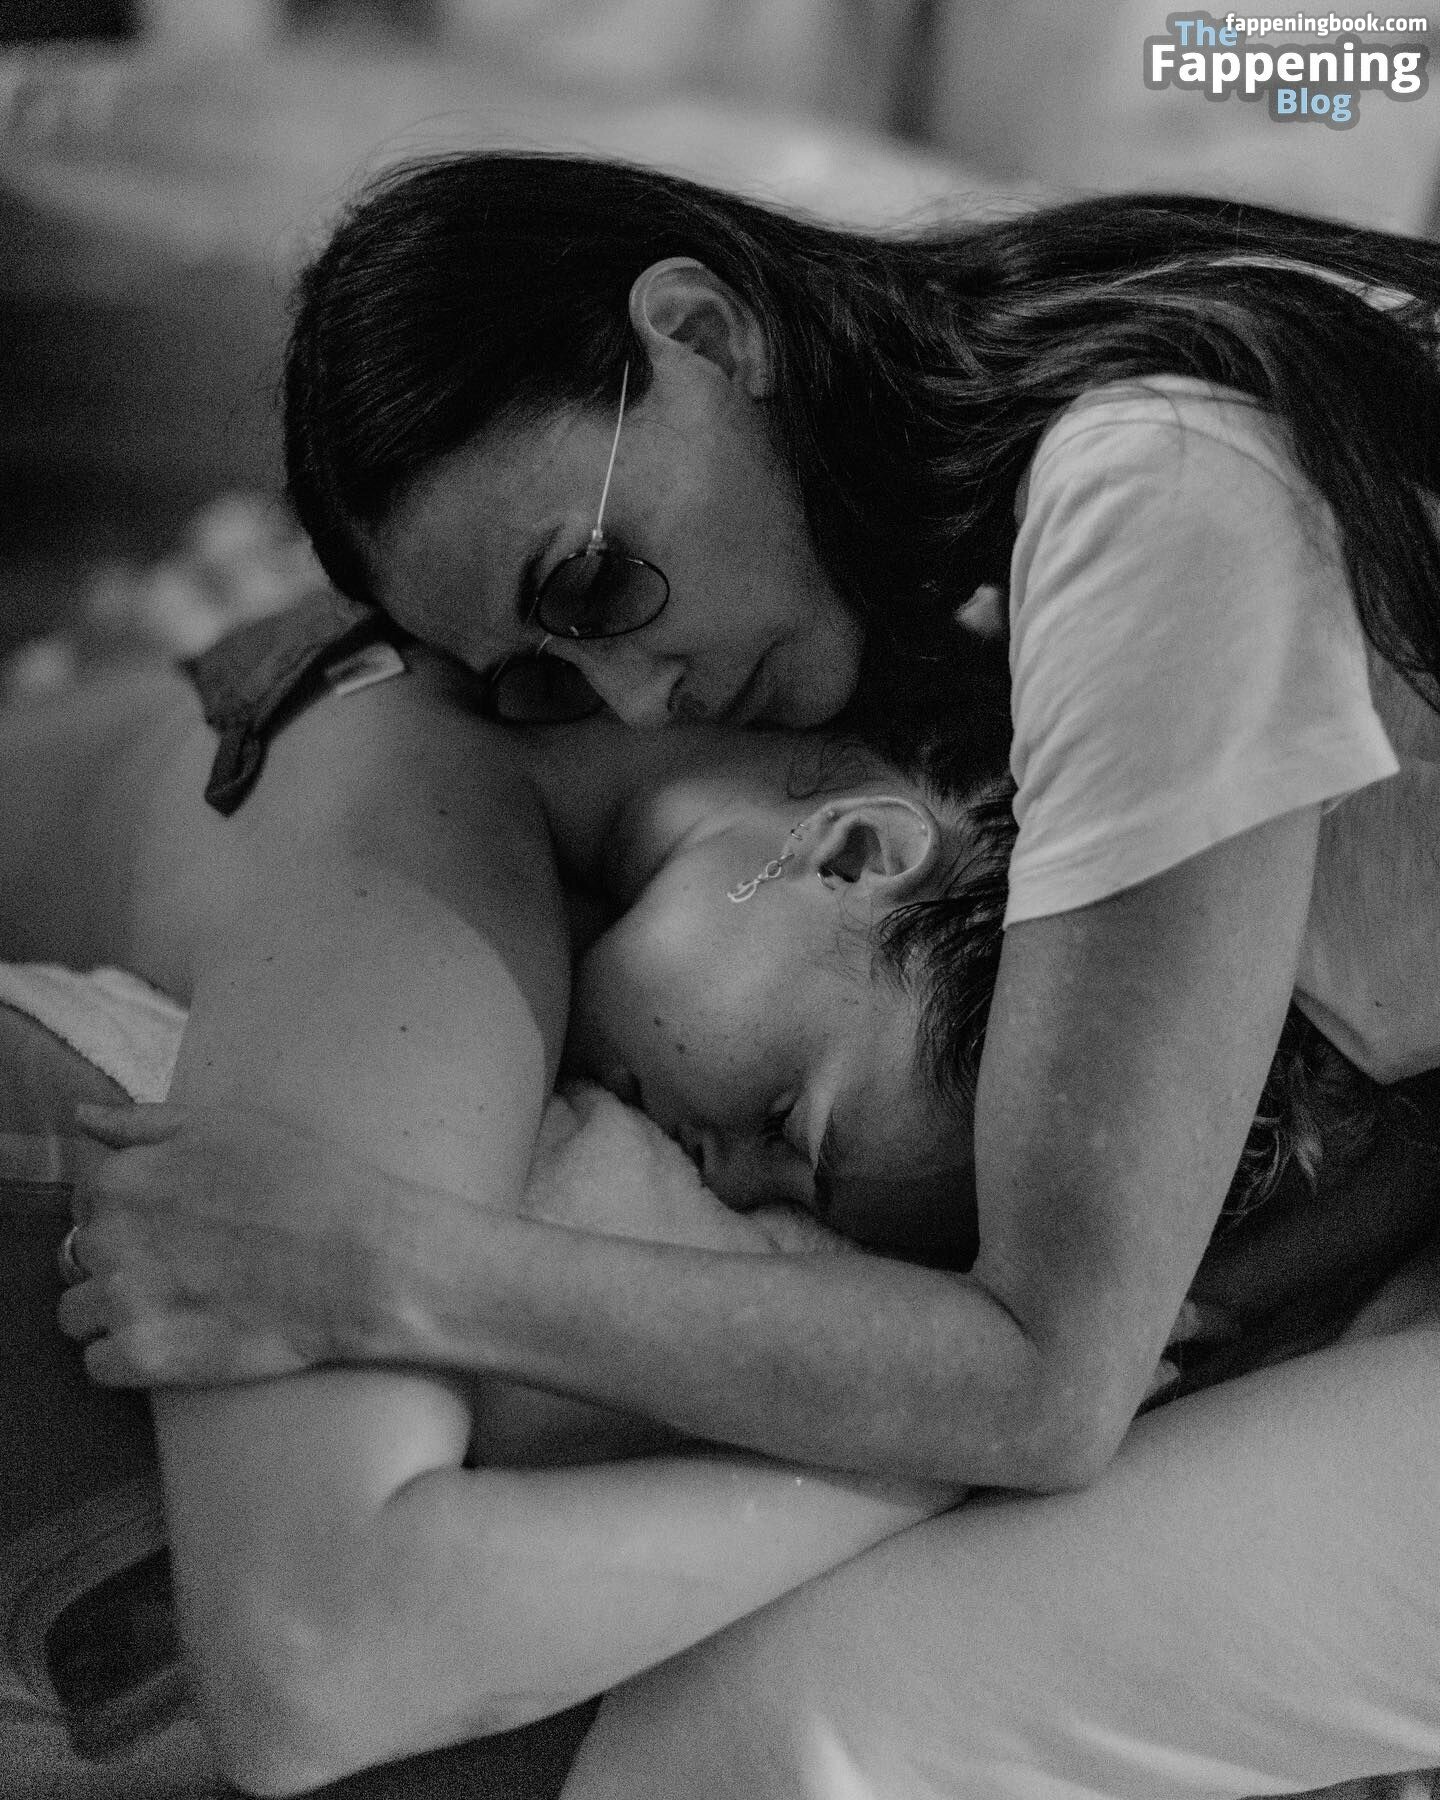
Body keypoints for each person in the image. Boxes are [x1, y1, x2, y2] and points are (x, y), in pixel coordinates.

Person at [47, 153, 1440, 1792]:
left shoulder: (1150, 492)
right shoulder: (1009, 552)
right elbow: (316, 1645)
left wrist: (383, 1261)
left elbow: (1052, 1382)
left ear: (707, 332)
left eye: (591, 583)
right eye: (536, 678)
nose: (636, 699)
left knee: (795, 1717)